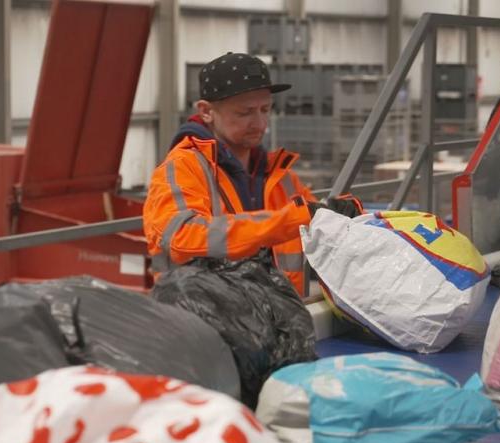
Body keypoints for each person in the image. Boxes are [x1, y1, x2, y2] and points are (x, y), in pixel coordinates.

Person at [143, 52, 361, 295]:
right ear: (206, 111)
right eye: (245, 113)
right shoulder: (182, 169)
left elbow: (313, 225)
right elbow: (183, 238)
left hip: (280, 320)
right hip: (200, 323)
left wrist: (341, 213)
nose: (259, 123)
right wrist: (291, 220)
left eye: (265, 109)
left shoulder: (281, 177)